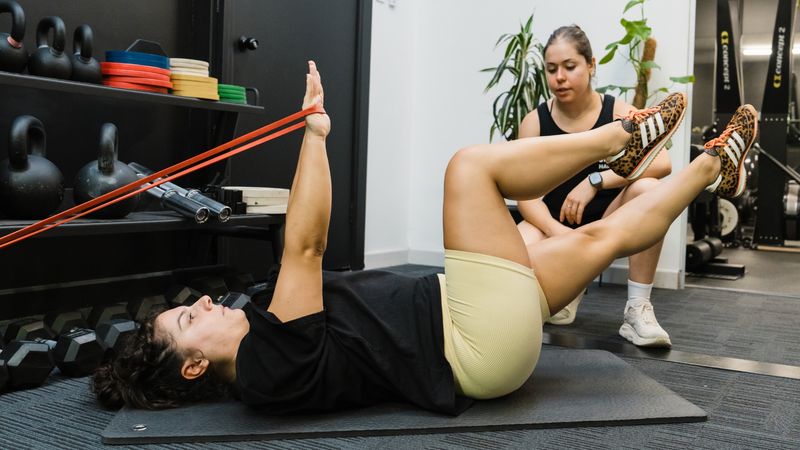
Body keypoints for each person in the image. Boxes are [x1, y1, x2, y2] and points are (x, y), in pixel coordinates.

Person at [92, 61, 758, 414]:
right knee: (470, 169)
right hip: (470, 335)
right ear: (194, 366)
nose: (204, 303)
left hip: (486, 349)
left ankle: (710, 167)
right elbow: (306, 244)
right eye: (189, 318)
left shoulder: (268, 361)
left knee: (600, 240)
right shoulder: (267, 361)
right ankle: (618, 142)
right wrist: (316, 132)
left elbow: (306, 253)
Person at [515, 25, 673, 347]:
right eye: (551, 69)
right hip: (555, 226)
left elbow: (662, 163)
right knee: (516, 250)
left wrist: (596, 181)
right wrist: (562, 235)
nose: (560, 77)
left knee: (651, 191)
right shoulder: (534, 121)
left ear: (590, 65)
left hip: (609, 221)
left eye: (569, 67)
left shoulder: (619, 112)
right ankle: (569, 288)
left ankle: (637, 310)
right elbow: (525, 195)